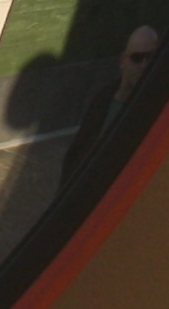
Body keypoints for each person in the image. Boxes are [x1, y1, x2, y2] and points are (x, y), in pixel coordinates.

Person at [62, 23, 163, 187]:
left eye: (150, 57)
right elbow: (77, 152)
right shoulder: (103, 100)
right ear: (123, 60)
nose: (144, 65)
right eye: (137, 58)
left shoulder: (155, 108)